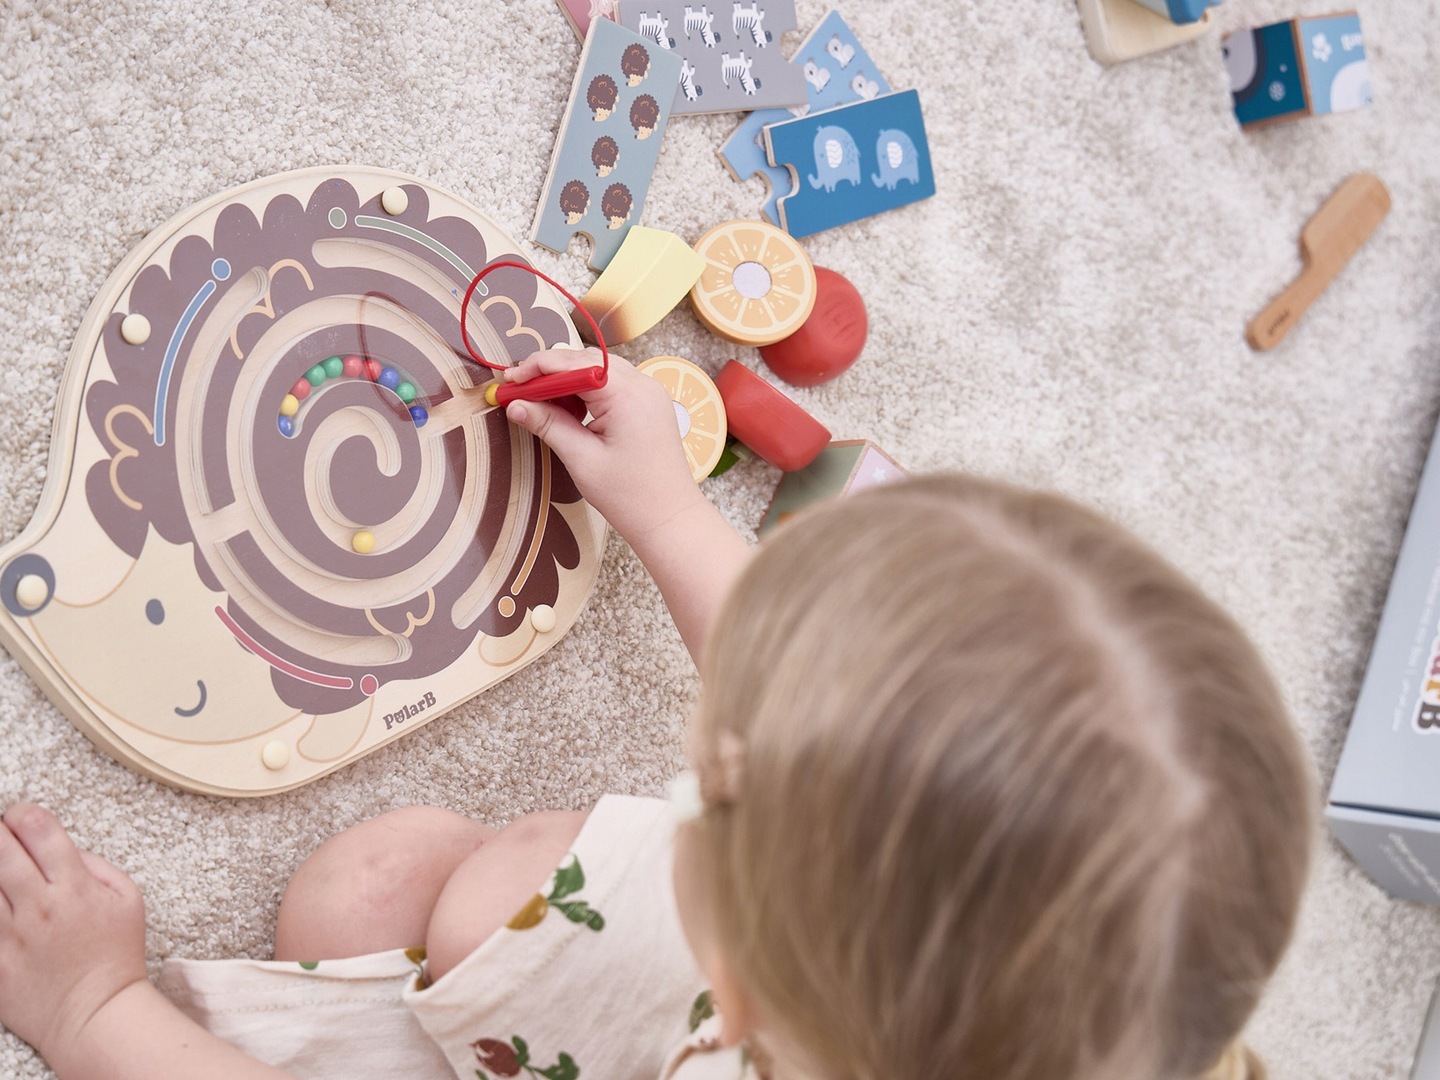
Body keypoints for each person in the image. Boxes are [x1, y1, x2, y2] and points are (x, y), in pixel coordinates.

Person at [0, 349, 1315, 1080]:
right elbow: (819, 712)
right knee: (403, 880)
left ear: (745, 987)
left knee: (360, 898)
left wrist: (95, 1008)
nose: (722, 724)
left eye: (728, 784)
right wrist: (671, 510)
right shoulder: (1093, 998)